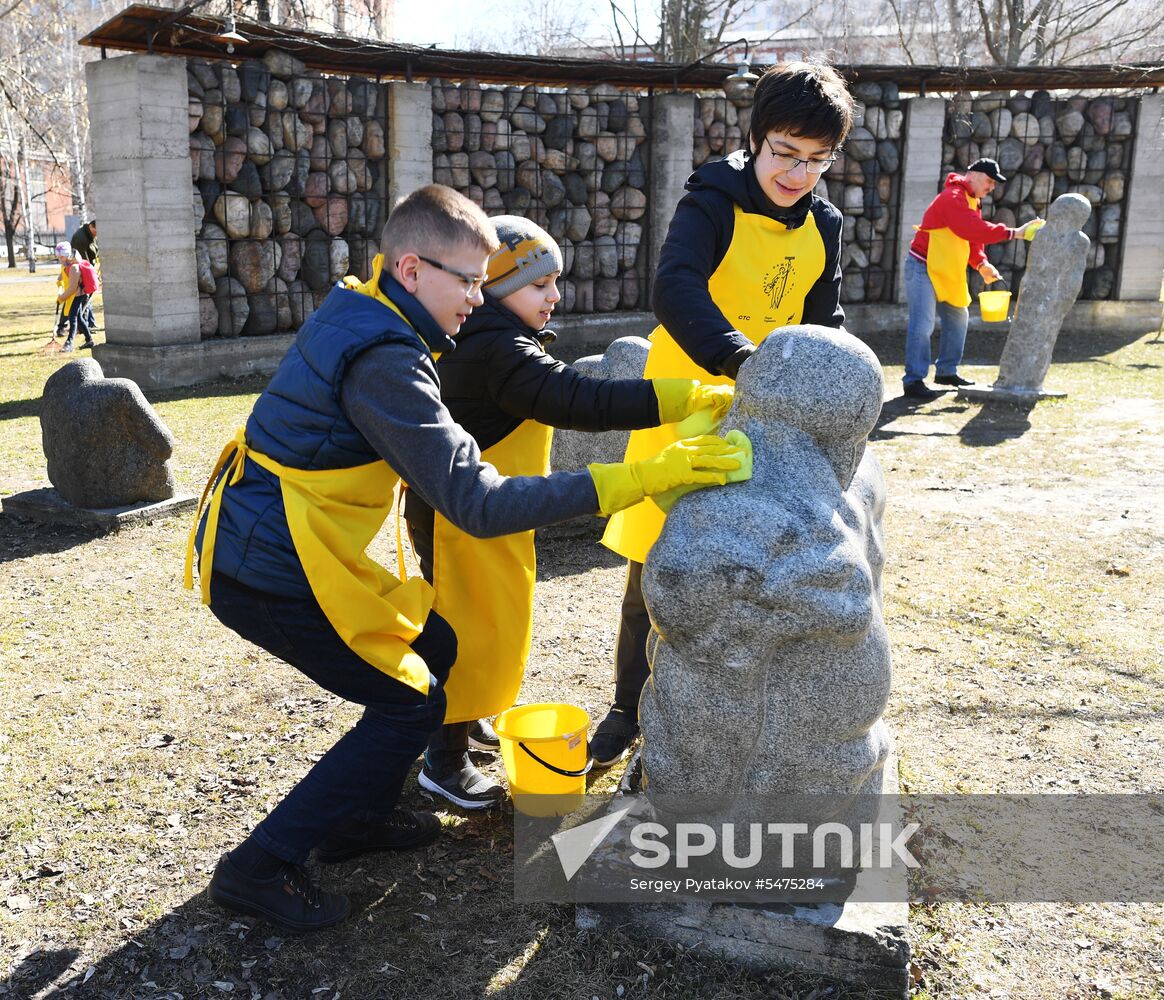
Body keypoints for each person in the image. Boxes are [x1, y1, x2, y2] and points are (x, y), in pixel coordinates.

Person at [183, 184, 747, 932]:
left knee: (436, 647)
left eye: (487, 283)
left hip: (289, 543)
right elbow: (478, 503)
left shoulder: (370, 307)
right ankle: (258, 868)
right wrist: (638, 477)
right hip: (269, 565)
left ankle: (356, 818)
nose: (480, 300)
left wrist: (675, 401)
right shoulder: (387, 359)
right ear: (412, 270)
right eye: (470, 281)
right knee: (404, 704)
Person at [402, 216, 734, 809]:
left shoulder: (491, 337)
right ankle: (443, 762)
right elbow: (580, 398)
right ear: (496, 287)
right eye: (540, 284)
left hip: (486, 512)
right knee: (465, 630)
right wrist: (677, 396)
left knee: (492, 621)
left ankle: (466, 715)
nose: (556, 296)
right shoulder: (495, 349)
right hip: (461, 522)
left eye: (557, 282)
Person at [591, 60, 856, 768]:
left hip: (770, 412)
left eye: (817, 161)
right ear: (756, 137)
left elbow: (822, 321)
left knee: (748, 561)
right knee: (661, 554)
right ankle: (628, 708)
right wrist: (742, 362)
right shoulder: (711, 198)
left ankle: (701, 723)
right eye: (785, 155)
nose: (799, 175)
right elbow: (674, 287)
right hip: (688, 397)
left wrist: (823, 382)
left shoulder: (824, 226)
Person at [902, 157, 1043, 399]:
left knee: (959, 317)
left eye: (994, 183)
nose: (991, 187)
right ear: (973, 175)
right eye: (989, 181)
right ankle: (914, 380)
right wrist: (1014, 233)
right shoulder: (953, 197)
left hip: (946, 269)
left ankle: (946, 371)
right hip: (922, 266)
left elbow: (972, 240)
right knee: (923, 325)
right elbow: (970, 229)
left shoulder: (972, 200)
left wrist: (981, 263)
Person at [53, 243, 96, 352]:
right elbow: (62, 276)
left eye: (61, 257)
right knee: (79, 317)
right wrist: (60, 282)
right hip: (74, 295)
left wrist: (61, 298)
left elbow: (72, 288)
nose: (60, 259)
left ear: (68, 255)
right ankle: (89, 340)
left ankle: (69, 343)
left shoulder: (74, 267)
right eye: (58, 257)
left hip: (79, 295)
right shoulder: (66, 264)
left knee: (73, 317)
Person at [70, 220, 100, 334]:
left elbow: (94, 251)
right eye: (97, 231)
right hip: (83, 274)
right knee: (84, 300)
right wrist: (91, 276)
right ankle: (83, 327)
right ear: (92, 227)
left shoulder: (91, 235)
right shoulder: (80, 238)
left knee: (88, 300)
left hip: (89, 271)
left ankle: (89, 323)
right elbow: (83, 262)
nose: (98, 234)